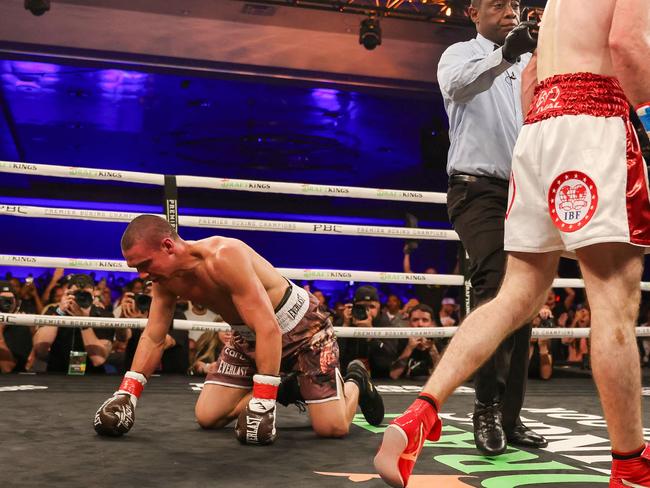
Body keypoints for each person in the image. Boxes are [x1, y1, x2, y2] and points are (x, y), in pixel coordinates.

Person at [375, 1, 650, 486]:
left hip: (537, 131)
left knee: (515, 295)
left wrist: (550, 142)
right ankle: (630, 466)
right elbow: (627, 45)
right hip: (594, 120)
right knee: (612, 296)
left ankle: (418, 414)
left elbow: (531, 78)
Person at [94, 215, 384, 444]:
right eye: (136, 268)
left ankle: (355, 380)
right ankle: (289, 386)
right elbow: (154, 336)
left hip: (301, 328)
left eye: (144, 264)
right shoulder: (164, 281)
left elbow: (268, 327)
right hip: (247, 336)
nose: (142, 275)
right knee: (208, 417)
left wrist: (263, 399)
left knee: (332, 428)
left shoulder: (224, 256)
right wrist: (127, 393)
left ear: (168, 246)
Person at [437, 0, 546, 456]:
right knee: (497, 286)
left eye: (514, 5)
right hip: (476, 191)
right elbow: (459, 88)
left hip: (524, 192)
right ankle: (484, 408)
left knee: (524, 302)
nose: (509, 11)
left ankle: (510, 415)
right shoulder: (459, 54)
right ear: (473, 13)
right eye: (497, 5)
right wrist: (504, 54)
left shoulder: (530, 65)